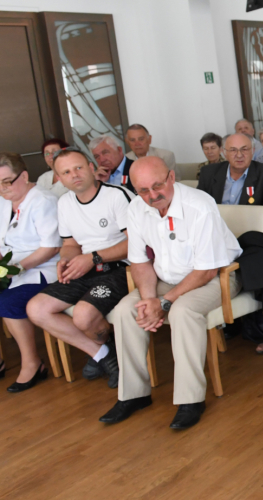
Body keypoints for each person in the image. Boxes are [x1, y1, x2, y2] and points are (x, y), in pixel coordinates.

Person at [100, 156, 242, 429]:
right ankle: (133, 394)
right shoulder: (136, 208)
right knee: (123, 311)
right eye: (143, 190)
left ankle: (190, 400)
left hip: (215, 277)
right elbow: (140, 262)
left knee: (182, 312)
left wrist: (164, 302)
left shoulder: (199, 205)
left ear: (171, 178)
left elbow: (205, 271)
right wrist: (150, 298)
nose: (152, 196)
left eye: (157, 186)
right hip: (165, 279)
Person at [26, 148, 132, 389]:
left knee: (84, 316)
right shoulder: (65, 202)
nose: (74, 175)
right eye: (66, 172)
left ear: (92, 168)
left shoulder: (116, 195)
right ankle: (104, 354)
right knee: (37, 308)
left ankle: (105, 353)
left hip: (120, 269)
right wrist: (66, 259)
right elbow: (70, 244)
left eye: (79, 167)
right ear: (59, 179)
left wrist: (93, 257)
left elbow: (137, 243)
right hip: (87, 266)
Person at [0, 152, 60, 392]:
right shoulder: (4, 201)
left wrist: (17, 268)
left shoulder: (43, 200)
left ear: (23, 176)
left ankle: (33, 363)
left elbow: (51, 247)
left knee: (8, 302)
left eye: (7, 182)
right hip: (11, 269)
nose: (3, 189)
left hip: (42, 269)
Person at [197, 133, 263, 207]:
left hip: (250, 225)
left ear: (252, 151)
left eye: (244, 149)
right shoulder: (208, 173)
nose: (239, 155)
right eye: (233, 150)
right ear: (224, 153)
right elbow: (199, 205)